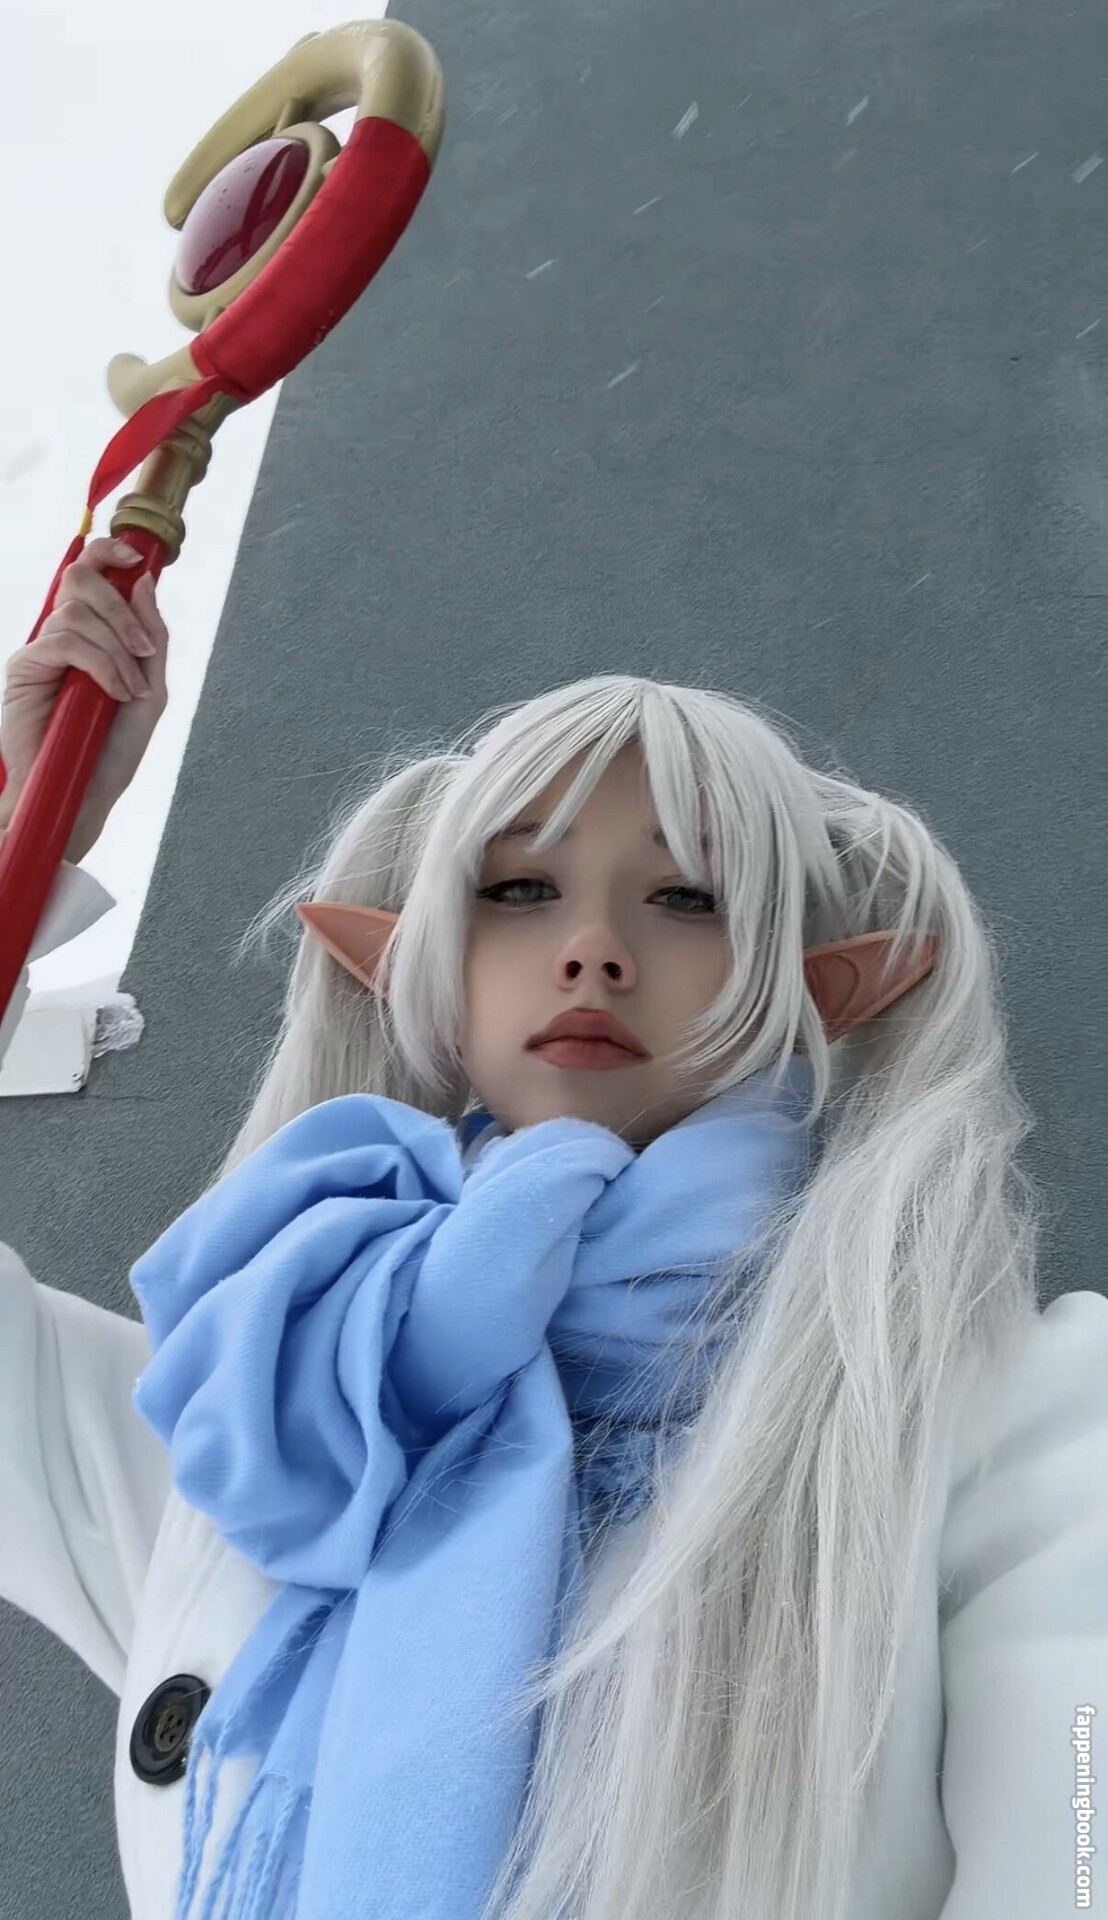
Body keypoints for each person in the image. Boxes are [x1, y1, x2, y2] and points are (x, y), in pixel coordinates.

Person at [1, 544, 1105, 1920]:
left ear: (816, 989)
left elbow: (1079, 1844)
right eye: (520, 890)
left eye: (690, 898)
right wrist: (21, 833)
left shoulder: (996, 1407)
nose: (593, 949)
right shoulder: (262, 1410)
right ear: (417, 963)